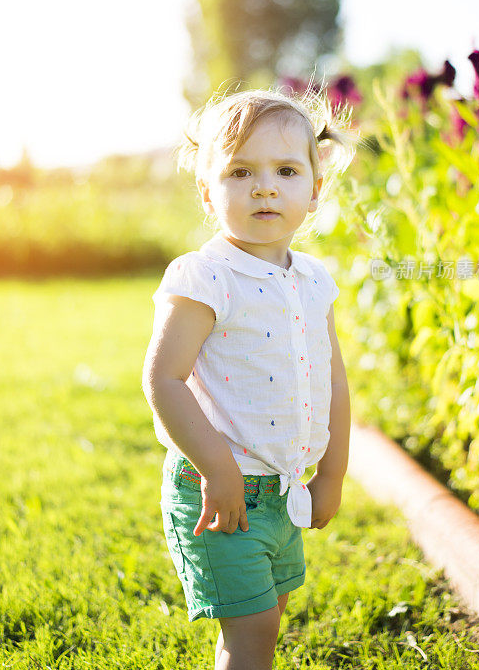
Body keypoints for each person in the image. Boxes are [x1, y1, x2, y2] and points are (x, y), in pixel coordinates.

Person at [142, 85, 357, 670]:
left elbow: (333, 379)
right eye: (240, 171)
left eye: (286, 170)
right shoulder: (205, 277)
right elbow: (164, 379)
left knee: (269, 616)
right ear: (209, 193)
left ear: (314, 192)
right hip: (220, 492)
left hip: (284, 490)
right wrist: (219, 469)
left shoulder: (314, 281)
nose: (265, 186)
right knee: (254, 628)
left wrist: (332, 472)